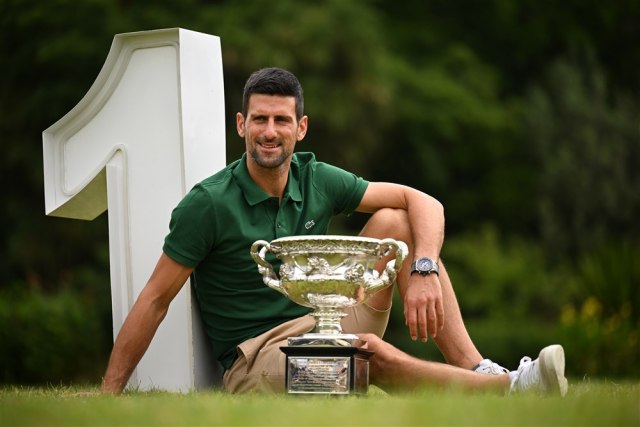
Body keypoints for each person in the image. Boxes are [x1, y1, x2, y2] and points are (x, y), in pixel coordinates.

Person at [101, 67, 568, 396]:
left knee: (396, 223)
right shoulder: (208, 203)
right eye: (259, 119)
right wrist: (108, 393)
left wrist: (424, 267)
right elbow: (155, 299)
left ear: (301, 128)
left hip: (326, 318)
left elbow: (423, 201)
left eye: (281, 120)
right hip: (259, 359)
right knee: (365, 356)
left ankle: (478, 367)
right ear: (241, 125)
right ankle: (510, 389)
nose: (269, 131)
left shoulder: (316, 178)